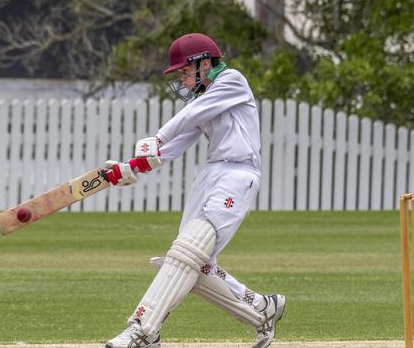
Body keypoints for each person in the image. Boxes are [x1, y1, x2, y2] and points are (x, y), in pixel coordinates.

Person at [103, 33, 285, 348]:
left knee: (186, 253)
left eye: (185, 72)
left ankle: (144, 329)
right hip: (212, 174)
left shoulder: (232, 81)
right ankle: (261, 309)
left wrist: (157, 136)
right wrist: (129, 167)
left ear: (203, 63)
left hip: (237, 174)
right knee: (194, 265)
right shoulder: (204, 99)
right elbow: (176, 144)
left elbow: (188, 119)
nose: (183, 80)